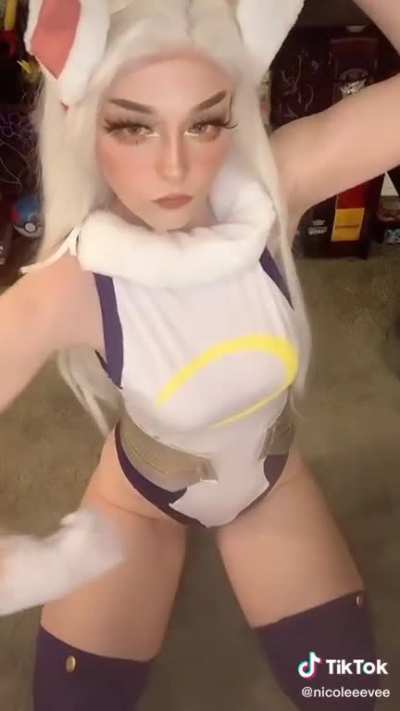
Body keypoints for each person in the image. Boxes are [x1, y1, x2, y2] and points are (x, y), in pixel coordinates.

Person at [0, 0, 398, 708]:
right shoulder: (72, 284)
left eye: (204, 122)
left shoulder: (270, 194)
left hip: (272, 485)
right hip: (140, 503)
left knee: (347, 690)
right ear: (85, 126)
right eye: (133, 126)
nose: (175, 165)